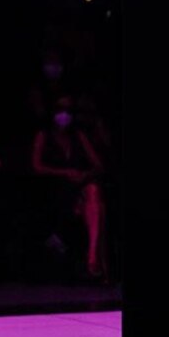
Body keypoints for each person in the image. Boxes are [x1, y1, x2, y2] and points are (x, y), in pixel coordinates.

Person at [30, 95, 109, 279]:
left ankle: (91, 257)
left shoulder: (78, 136)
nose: (64, 115)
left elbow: (98, 166)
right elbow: (36, 166)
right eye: (60, 110)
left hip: (77, 187)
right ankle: (93, 259)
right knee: (95, 205)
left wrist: (83, 174)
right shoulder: (43, 135)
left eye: (68, 110)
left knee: (94, 192)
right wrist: (64, 172)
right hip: (53, 188)